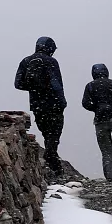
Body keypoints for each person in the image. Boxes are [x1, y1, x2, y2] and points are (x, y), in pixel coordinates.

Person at [14, 37, 67, 175]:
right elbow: (56, 84)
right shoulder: (51, 61)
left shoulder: (26, 61)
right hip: (54, 104)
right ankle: (52, 162)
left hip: (37, 105)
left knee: (47, 134)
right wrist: (62, 102)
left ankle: (53, 166)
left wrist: (35, 88)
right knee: (54, 135)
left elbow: (18, 84)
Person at [81, 63, 112, 181]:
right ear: (106, 72)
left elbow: (85, 103)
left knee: (106, 150)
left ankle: (110, 177)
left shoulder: (90, 86)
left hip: (100, 121)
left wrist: (97, 109)